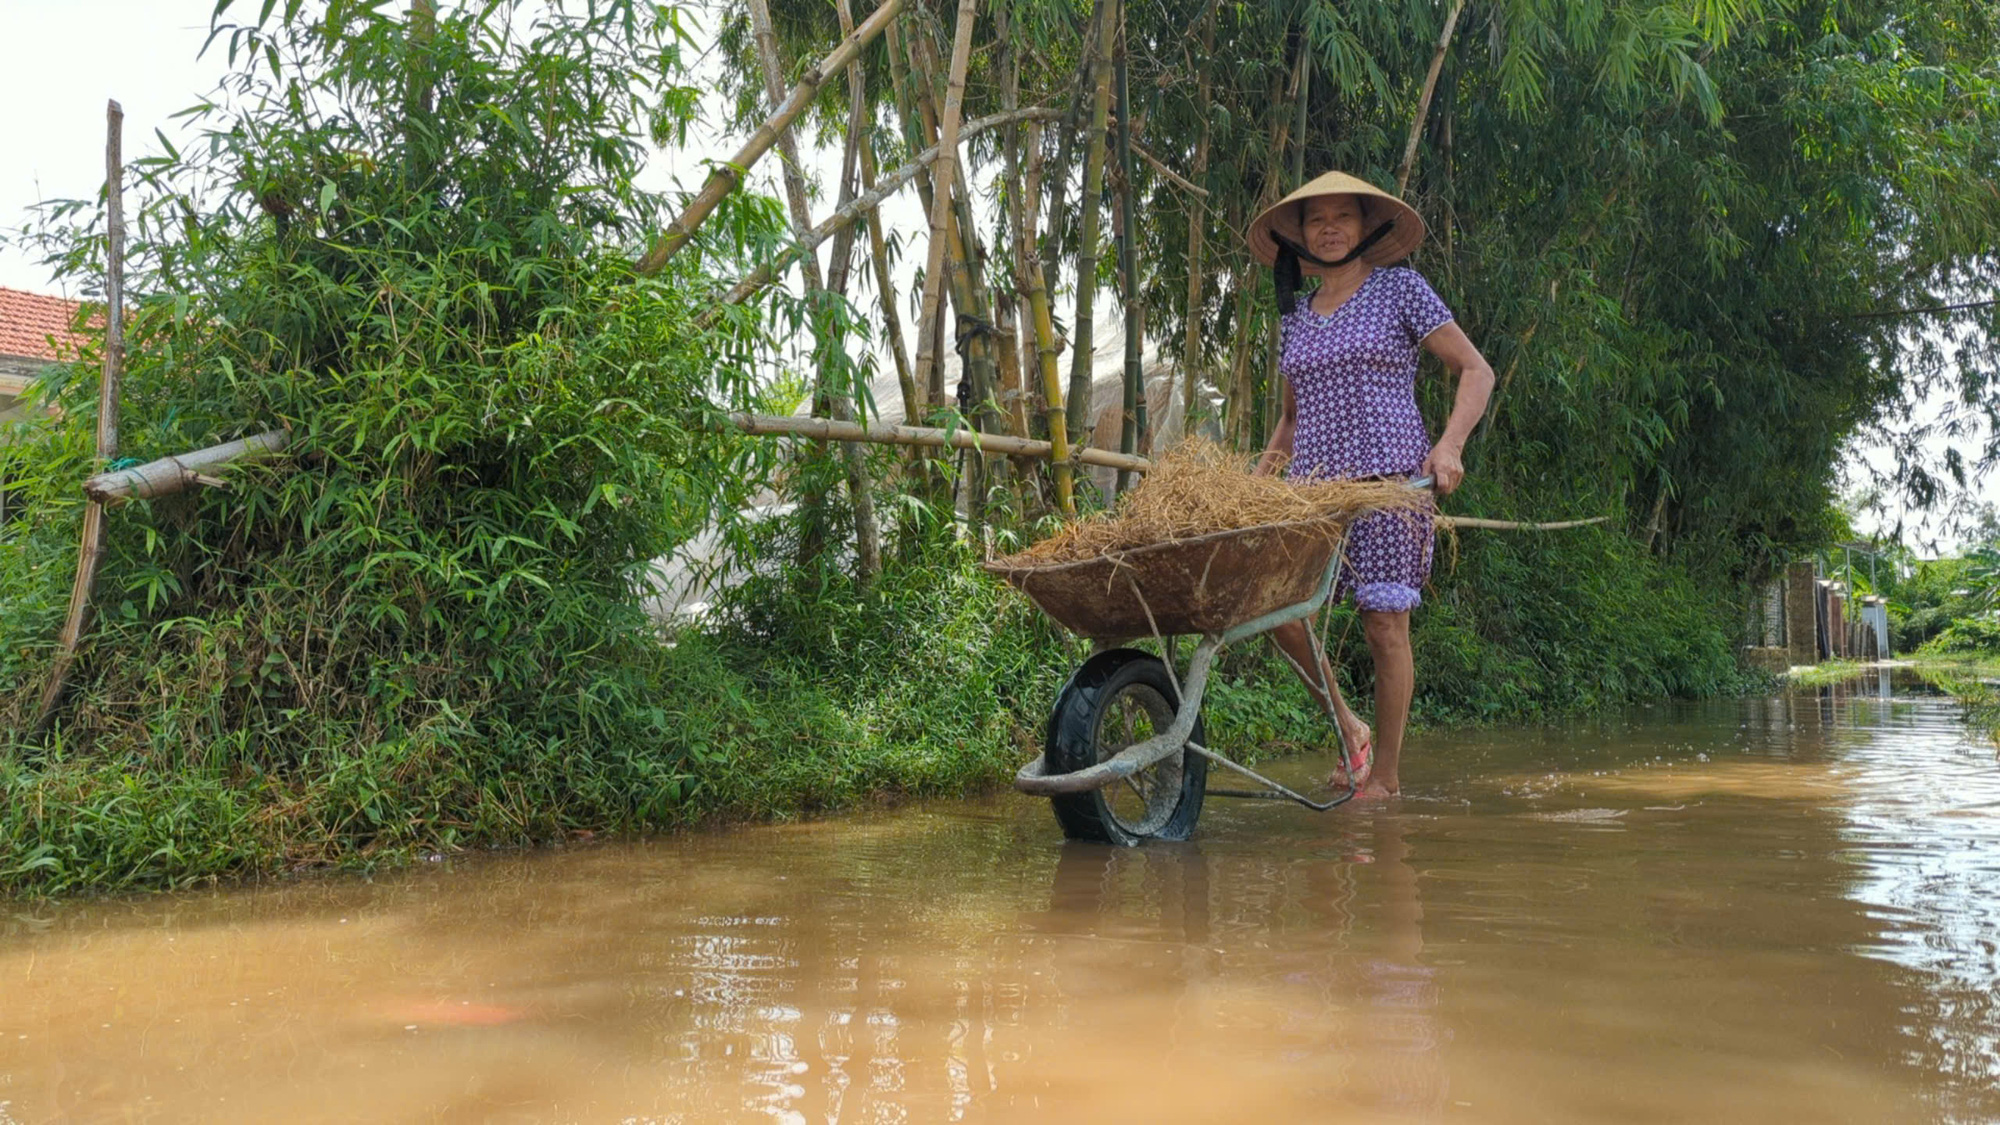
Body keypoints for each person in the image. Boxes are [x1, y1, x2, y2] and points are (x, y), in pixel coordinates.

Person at [1246, 172, 1495, 799]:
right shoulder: (1295, 318)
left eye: (1343, 217)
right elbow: (1292, 419)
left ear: (1367, 227)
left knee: (1385, 628)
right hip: (1313, 496)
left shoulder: (1399, 290)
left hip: (1390, 486)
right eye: (1316, 220)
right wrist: (1253, 488)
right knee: (1277, 611)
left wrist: (1450, 445)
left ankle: (1384, 780)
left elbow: (1475, 370)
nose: (1329, 229)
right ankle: (1348, 728)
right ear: (1299, 237)